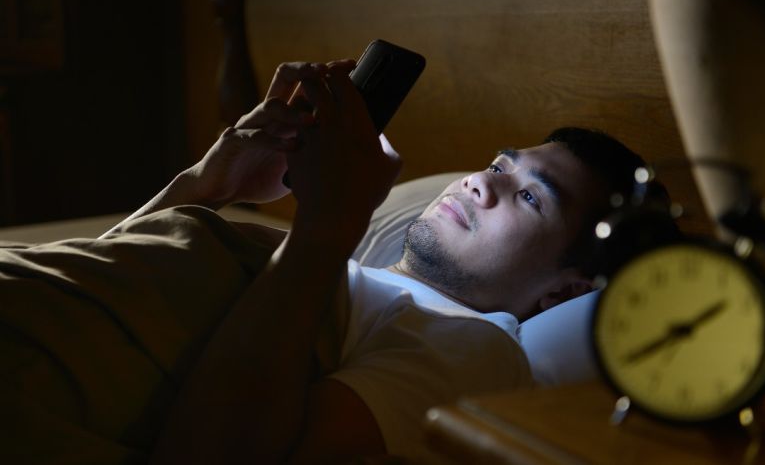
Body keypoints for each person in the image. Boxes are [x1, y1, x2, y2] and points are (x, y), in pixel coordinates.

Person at [1, 60, 646, 464]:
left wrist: (325, 224)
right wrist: (205, 184)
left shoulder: (478, 349)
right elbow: (96, 282)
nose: (482, 181)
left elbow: (212, 450)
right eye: (500, 165)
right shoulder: (335, 271)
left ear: (564, 293)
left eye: (529, 196)